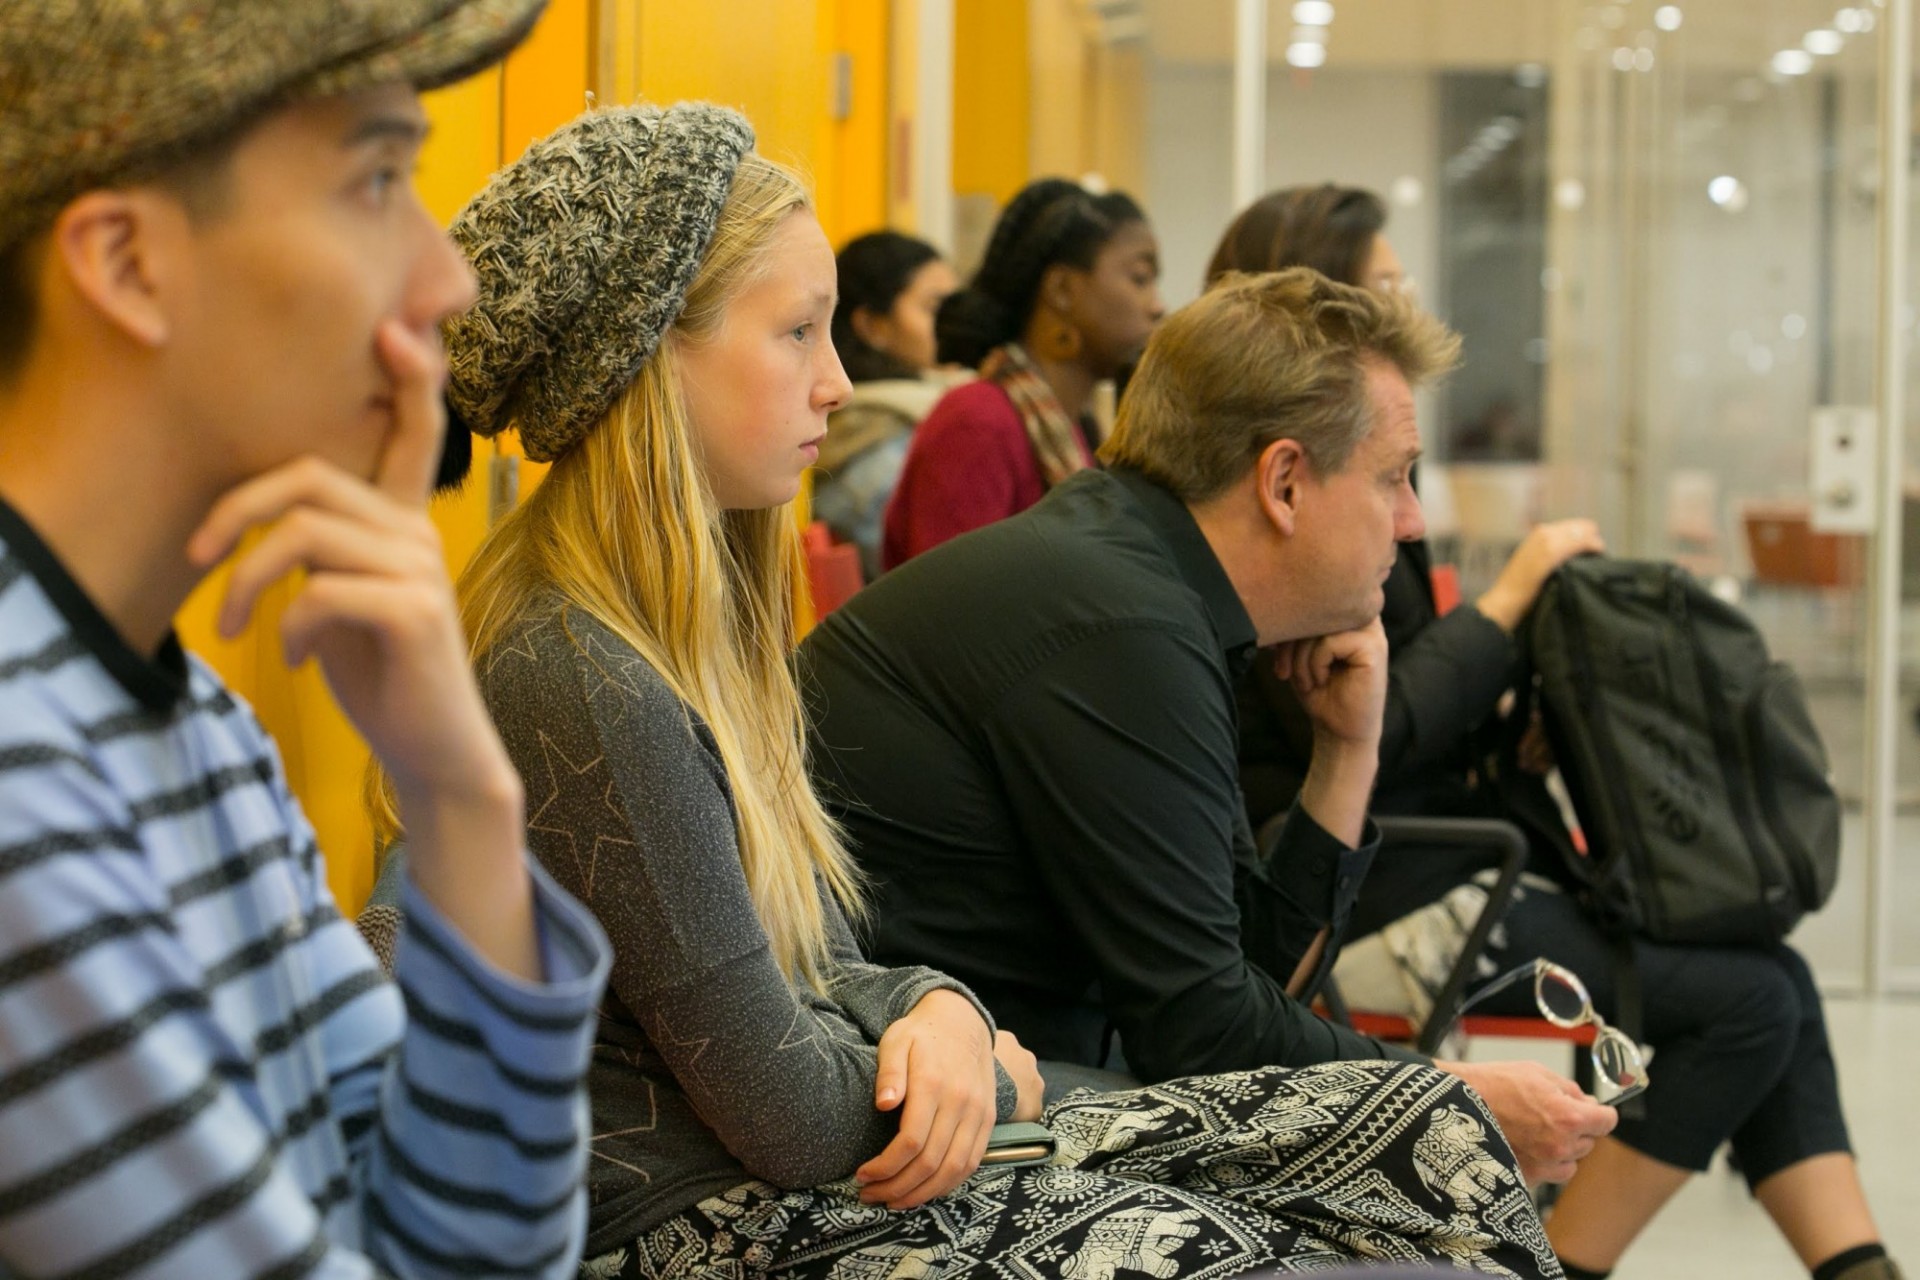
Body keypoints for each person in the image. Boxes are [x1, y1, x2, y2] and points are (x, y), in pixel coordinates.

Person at [415, 103, 1561, 1278]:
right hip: (693, 1216)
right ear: (657, 358)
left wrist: (937, 1006)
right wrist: (978, 1064)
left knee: (1406, 1176)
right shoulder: (586, 667)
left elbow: (807, 949)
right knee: (1353, 1232)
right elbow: (787, 1111)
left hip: (816, 1144)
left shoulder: (684, 630)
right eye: (799, 333)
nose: (840, 382)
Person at [0, 3, 612, 1276]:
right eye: (377, 178)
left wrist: (461, 793)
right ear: (123, 262)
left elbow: (460, 1254)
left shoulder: (194, 718)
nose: (450, 283)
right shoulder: (21, 770)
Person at [800, 266, 1621, 1195]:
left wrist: (1346, 752)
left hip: (977, 1077)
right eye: (1392, 477)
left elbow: (1245, 982)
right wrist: (1451, 1096)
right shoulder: (1124, 624)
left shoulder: (1144, 581)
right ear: (1282, 482)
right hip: (909, 1107)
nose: (1411, 519)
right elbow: (1205, 1037)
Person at [1225, 189, 1903, 1280]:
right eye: (1384, 291)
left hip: (1428, 856)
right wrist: (1510, 604)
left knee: (1774, 979)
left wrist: (1501, 730)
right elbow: (1368, 735)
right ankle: (1558, 1269)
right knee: (1752, 1000)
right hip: (1377, 893)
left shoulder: (1346, 492)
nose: (1408, 308)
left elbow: (1393, 714)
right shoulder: (1292, 516)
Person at [879, 177, 1163, 567]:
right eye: (1140, 278)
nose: (1157, 306)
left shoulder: (1072, 424)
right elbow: (951, 613)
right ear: (1062, 289)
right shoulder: (977, 423)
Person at [815, 230, 958, 577]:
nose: (956, 324)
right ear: (872, 326)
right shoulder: (874, 445)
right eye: (935, 308)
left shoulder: (929, 406)